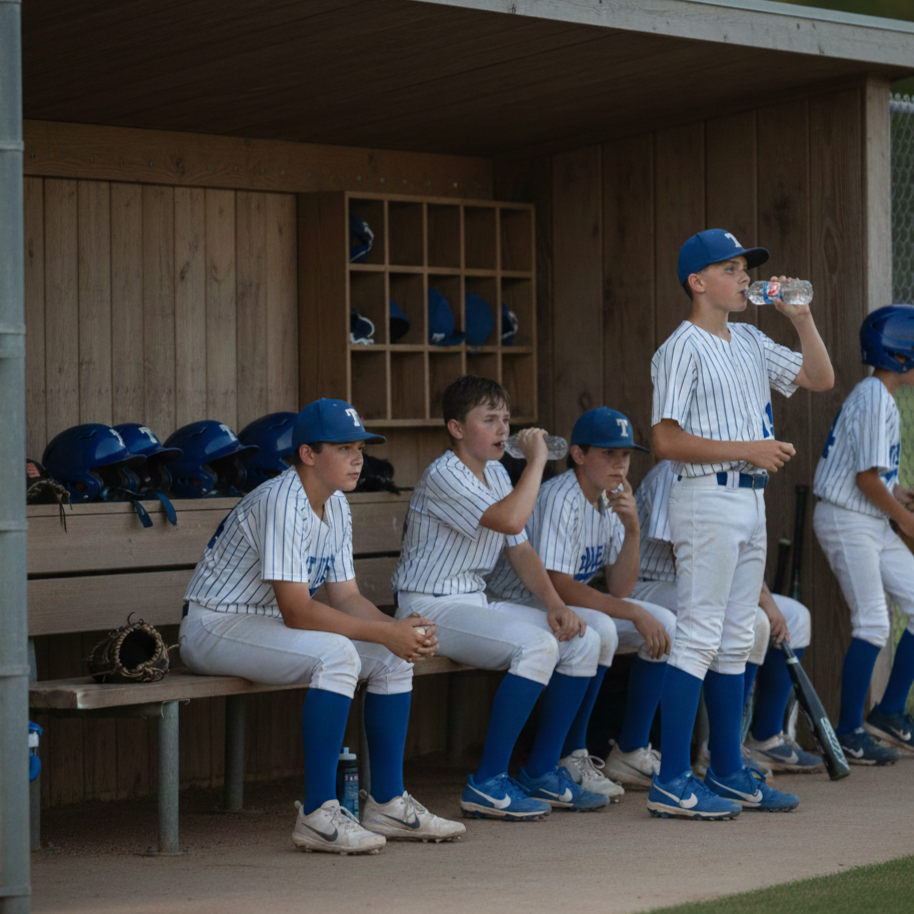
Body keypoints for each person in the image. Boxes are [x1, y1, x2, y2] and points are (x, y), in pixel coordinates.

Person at [180, 398, 465, 854]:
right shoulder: (281, 500)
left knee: (392, 656)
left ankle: (389, 803)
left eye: (360, 447)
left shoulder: (336, 505)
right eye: (344, 448)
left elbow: (346, 597)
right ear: (309, 454)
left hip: (267, 626)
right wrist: (385, 631)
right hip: (216, 625)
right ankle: (317, 813)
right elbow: (298, 611)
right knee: (336, 654)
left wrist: (399, 630)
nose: (358, 458)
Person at [647, 228, 833, 819]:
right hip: (705, 497)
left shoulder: (750, 337)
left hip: (749, 499)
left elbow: (820, 379)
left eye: (744, 268)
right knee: (699, 636)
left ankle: (726, 770)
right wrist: (746, 448)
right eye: (729, 269)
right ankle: (672, 780)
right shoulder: (680, 345)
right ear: (697, 281)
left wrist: (801, 320)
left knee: (735, 639)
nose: (744, 277)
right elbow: (663, 439)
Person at [392, 375, 608, 819]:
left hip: (471, 601)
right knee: (537, 645)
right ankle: (487, 782)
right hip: (427, 606)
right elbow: (510, 521)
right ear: (456, 428)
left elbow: (521, 548)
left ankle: (542, 770)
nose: (502, 430)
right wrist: (537, 462)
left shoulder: (493, 471)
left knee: (581, 637)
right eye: (488, 420)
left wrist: (555, 604)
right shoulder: (445, 473)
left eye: (505, 420)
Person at [486, 407, 675, 795]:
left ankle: (631, 749)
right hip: (518, 598)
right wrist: (634, 612)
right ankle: (570, 754)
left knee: (665, 623)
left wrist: (634, 530)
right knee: (602, 627)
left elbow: (620, 586)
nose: (620, 465)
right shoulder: (561, 496)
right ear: (578, 455)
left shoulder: (613, 497)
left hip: (556, 601)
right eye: (608, 454)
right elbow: (561, 585)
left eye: (625, 455)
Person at [633, 459, 824, 774]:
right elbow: (683, 557)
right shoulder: (675, 472)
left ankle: (762, 738)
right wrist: (762, 603)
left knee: (797, 617)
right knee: (753, 621)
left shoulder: (741, 475)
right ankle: (714, 748)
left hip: (705, 580)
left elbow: (736, 556)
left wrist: (764, 599)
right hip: (653, 583)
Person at [813, 304, 914, 764]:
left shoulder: (879, 394)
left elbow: (876, 477)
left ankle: (888, 713)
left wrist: (901, 496)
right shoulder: (875, 396)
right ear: (899, 357)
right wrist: (906, 519)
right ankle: (849, 730)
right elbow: (864, 481)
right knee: (873, 622)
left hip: (867, 516)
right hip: (847, 517)